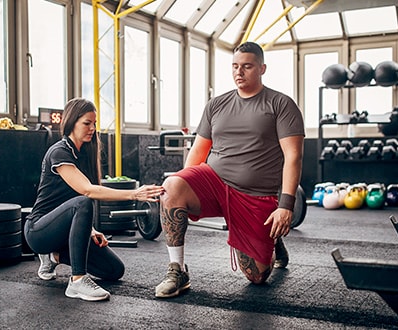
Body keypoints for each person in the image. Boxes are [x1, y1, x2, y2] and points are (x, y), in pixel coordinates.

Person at [155, 41, 305, 298]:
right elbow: (198, 154)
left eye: (247, 66)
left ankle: (272, 239)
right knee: (171, 186)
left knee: (257, 277)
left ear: (262, 68)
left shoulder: (281, 104)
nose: (239, 72)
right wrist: (183, 186)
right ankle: (177, 270)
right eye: (235, 66)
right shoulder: (216, 105)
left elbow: (294, 156)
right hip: (214, 181)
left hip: (254, 194)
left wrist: (285, 205)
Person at [24, 97, 164, 302]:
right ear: (71, 122)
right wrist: (134, 193)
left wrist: (90, 230)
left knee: (114, 270)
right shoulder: (59, 152)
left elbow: (76, 198)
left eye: (94, 124)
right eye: (87, 123)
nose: (92, 128)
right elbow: (86, 191)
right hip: (39, 231)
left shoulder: (86, 154)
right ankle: (78, 281)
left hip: (63, 232)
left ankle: (53, 257)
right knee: (84, 202)